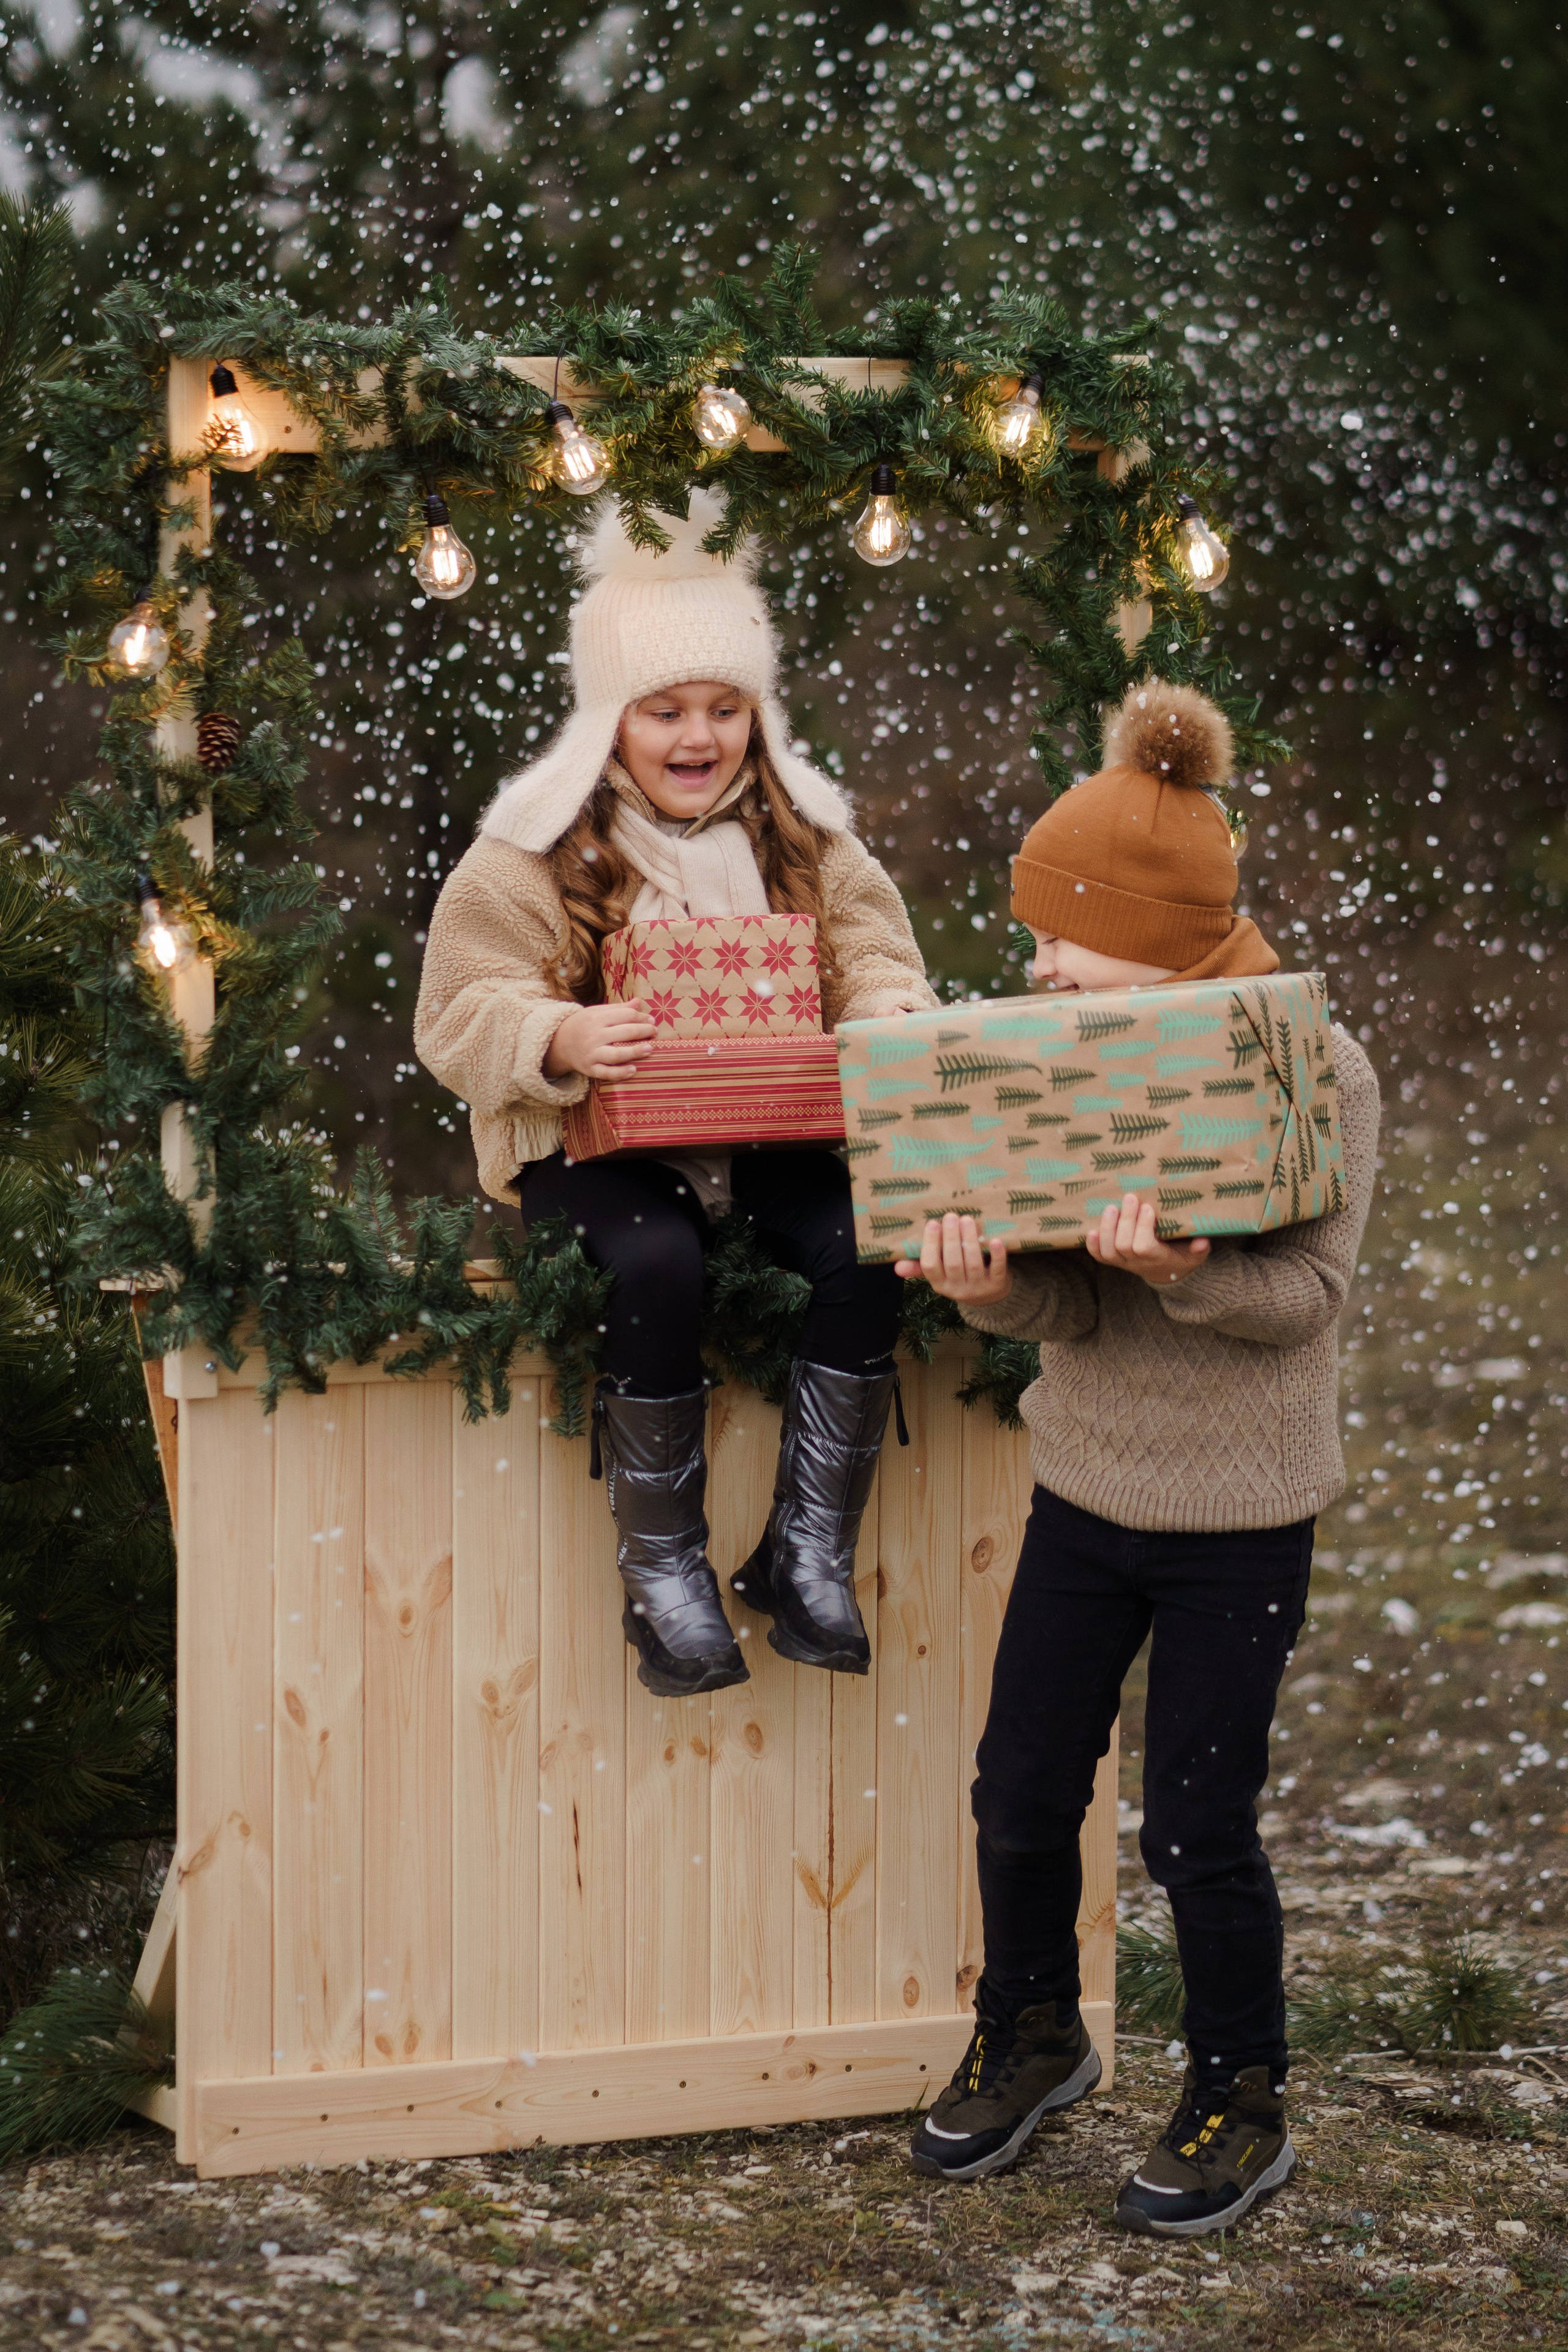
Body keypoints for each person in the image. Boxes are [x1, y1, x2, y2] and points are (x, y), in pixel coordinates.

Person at [899, 679, 1380, 2237]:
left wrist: (1186, 1270)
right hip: (1083, 1485)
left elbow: (1302, 1303)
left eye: (1059, 935)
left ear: (1157, 938)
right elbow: (1064, 1298)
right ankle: (1035, 2033)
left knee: (1195, 1822)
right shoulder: (1058, 1050)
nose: (1034, 964)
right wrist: (989, 1287)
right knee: (1019, 1787)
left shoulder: (1321, 1072)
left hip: (1236, 1515)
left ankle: (1242, 2099)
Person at [415, 491, 935, 1700]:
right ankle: (663, 1574)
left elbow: (876, 955)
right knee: (653, 1265)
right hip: (603, 1155)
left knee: (871, 1236)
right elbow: (457, 1010)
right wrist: (556, 1032)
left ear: (759, 714)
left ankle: (807, 1549)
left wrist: (879, 1020)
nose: (696, 735)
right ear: (612, 720)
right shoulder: (534, 851)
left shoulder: (804, 839)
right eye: (664, 711)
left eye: (723, 708)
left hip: (768, 1134)